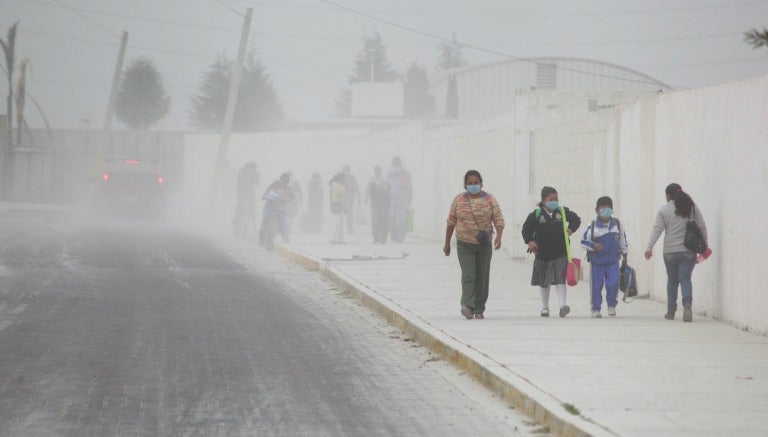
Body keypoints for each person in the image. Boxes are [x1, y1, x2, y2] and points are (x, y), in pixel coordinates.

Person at [443, 170, 505, 320]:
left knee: (482, 277)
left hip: (484, 245)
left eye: (476, 183)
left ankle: (479, 308)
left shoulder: (489, 199)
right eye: (470, 183)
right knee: (468, 275)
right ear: (465, 185)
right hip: (464, 244)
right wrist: (447, 244)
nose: (473, 186)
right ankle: (467, 305)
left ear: (481, 183)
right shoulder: (459, 200)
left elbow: (498, 219)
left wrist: (499, 237)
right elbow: (451, 222)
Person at [645, 183, 708, 322]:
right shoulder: (691, 207)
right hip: (688, 251)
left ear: (668, 196)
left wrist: (649, 247)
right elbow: (702, 226)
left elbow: (657, 229)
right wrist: (705, 246)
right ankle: (687, 306)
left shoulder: (664, 210)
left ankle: (671, 311)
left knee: (672, 281)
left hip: (670, 252)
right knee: (685, 279)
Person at [521, 186, 581, 318]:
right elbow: (526, 229)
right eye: (551, 199)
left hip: (560, 252)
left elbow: (576, 220)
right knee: (544, 282)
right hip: (542, 254)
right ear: (543, 201)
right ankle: (545, 308)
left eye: (556, 199)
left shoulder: (562, 212)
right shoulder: (536, 215)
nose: (554, 201)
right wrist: (529, 241)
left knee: (560, 280)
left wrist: (570, 229)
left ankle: (562, 306)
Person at [581, 196, 628, 318]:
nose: (605, 211)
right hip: (597, 262)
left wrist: (625, 255)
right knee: (596, 286)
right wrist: (593, 245)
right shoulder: (592, 226)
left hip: (613, 261)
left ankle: (611, 305)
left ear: (612, 209)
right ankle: (595, 309)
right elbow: (583, 242)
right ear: (596, 210)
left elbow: (623, 241)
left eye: (608, 208)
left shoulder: (617, 225)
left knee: (614, 283)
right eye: (602, 209)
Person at [260, 172, 295, 244]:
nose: (284, 182)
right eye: (283, 180)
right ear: (280, 179)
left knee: (283, 222)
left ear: (287, 182)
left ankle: (285, 236)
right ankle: (262, 236)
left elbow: (292, 196)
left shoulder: (288, 188)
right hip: (270, 205)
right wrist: (265, 196)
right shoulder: (275, 184)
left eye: (286, 181)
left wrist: (290, 198)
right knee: (266, 217)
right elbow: (268, 190)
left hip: (280, 207)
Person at [387, 157, 413, 243]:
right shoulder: (392, 173)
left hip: (399, 198)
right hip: (397, 198)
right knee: (398, 218)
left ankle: (397, 235)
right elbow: (410, 187)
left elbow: (409, 186)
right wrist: (410, 198)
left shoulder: (392, 173)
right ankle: (398, 235)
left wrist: (409, 197)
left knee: (396, 218)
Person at [365, 165, 391, 244]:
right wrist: (366, 198)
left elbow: (388, 190)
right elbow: (368, 189)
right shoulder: (372, 179)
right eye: (377, 170)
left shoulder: (384, 180)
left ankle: (383, 237)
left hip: (383, 203)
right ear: (375, 171)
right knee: (375, 220)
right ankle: (376, 237)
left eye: (379, 170)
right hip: (374, 203)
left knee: (383, 220)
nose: (378, 172)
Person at [233, 162, 259, 233]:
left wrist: (257, 177)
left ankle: (253, 222)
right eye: (253, 168)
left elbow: (257, 183)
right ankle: (237, 220)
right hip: (242, 190)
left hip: (249, 191)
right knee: (240, 205)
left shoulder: (254, 173)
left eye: (254, 169)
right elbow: (240, 180)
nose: (254, 170)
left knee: (252, 206)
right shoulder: (243, 171)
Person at [341, 164, 360, 234]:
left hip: (349, 198)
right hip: (342, 199)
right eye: (345, 169)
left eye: (347, 170)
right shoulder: (340, 177)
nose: (346, 171)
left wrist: (359, 196)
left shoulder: (352, 177)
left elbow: (356, 187)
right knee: (343, 215)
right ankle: (344, 229)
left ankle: (349, 229)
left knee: (349, 214)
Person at [329, 172, 347, 244]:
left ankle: (340, 238)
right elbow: (340, 191)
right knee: (337, 222)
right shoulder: (334, 184)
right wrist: (343, 186)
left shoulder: (338, 184)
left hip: (340, 204)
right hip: (336, 204)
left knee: (340, 222)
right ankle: (334, 238)